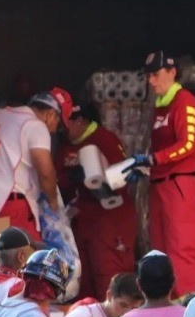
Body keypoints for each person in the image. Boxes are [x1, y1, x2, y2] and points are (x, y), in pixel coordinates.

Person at [123, 52, 195, 295]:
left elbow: (188, 144)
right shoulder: (161, 106)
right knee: (160, 251)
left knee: (182, 249)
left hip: (180, 185)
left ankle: (189, 304)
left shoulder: (184, 102)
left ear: (172, 72)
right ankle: (164, 302)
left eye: (155, 75)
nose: (151, 81)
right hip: (160, 184)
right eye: (148, 76)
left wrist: (154, 159)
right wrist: (145, 167)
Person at [55, 102, 137, 300]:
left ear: (80, 121)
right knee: (82, 282)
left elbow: (122, 178)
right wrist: (72, 180)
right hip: (81, 222)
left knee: (109, 278)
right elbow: (58, 180)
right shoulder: (65, 147)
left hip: (110, 221)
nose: (62, 128)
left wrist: (97, 180)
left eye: (66, 123)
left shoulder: (104, 139)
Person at [0, 88, 73, 240]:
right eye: (58, 124)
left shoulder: (1, 114)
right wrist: (53, 203)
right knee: (31, 253)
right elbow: (46, 173)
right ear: (51, 114)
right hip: (12, 207)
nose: (54, 131)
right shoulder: (36, 126)